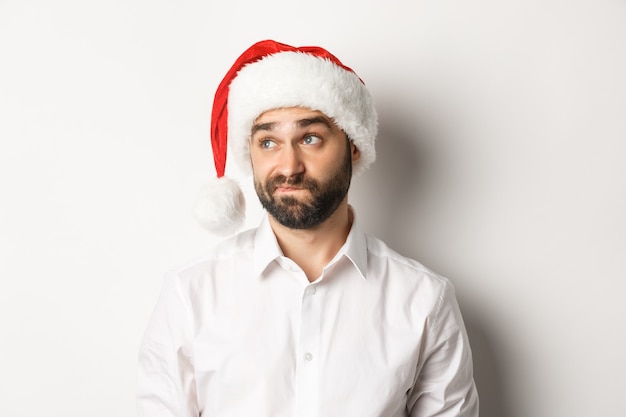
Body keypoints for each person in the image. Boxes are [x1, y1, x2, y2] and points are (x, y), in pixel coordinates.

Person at [137, 39, 479, 417]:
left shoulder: (424, 301)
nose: (288, 166)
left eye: (310, 138)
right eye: (268, 142)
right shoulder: (191, 295)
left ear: (354, 146)